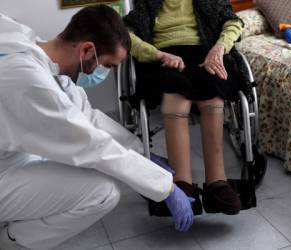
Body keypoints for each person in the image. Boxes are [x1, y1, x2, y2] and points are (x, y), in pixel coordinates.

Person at [0, 5, 195, 250]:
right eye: (109, 65)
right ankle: (11, 242)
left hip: (9, 155)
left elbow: (87, 119)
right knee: (102, 192)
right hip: (4, 172)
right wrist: (166, 188)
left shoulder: (28, 45)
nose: (106, 73)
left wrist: (142, 152)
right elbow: (91, 146)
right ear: (87, 50)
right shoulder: (33, 82)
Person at [124, 0, 246, 215]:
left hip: (206, 51)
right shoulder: (146, 3)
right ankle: (182, 183)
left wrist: (219, 48)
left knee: (212, 92)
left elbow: (233, 23)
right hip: (164, 55)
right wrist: (155, 54)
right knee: (176, 93)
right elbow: (126, 35)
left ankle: (217, 183)